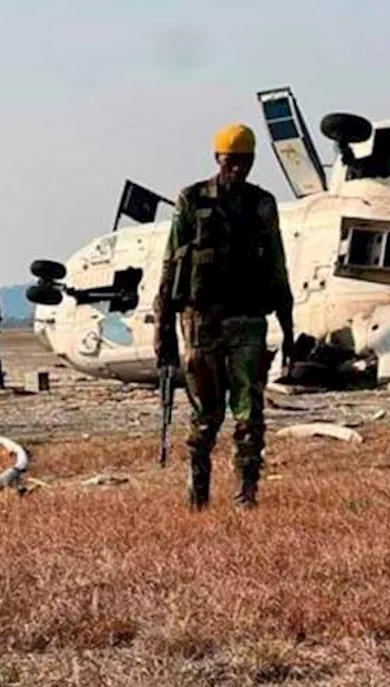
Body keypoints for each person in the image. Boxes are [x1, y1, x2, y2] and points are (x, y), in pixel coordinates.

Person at [153, 123, 294, 511]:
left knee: (250, 410)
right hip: (201, 320)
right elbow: (171, 265)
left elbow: (277, 265)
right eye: (231, 162)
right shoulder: (192, 199)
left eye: (245, 163)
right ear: (218, 160)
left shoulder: (262, 204)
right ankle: (197, 496)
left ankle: (245, 496)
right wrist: (163, 326)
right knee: (206, 413)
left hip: (248, 318)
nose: (237, 170)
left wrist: (288, 322)